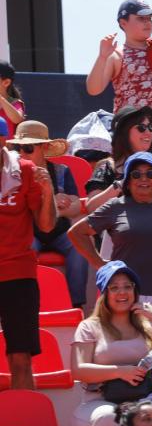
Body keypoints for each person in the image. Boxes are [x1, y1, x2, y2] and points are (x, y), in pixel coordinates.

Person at [69, 152, 152, 330]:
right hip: (124, 303)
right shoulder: (116, 206)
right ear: (128, 181)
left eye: (150, 173)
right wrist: (99, 263)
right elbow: (77, 233)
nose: (143, 179)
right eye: (136, 174)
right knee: (128, 357)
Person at [71, 261, 152, 426]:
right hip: (98, 402)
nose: (122, 292)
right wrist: (121, 372)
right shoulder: (89, 326)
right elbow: (79, 370)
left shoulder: (147, 324)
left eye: (127, 287)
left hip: (143, 400)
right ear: (104, 294)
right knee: (110, 418)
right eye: (114, 288)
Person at [85, 0, 152, 160]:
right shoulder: (116, 56)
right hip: (131, 136)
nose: (147, 22)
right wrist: (102, 57)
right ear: (123, 23)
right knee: (129, 182)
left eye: (149, 19)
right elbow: (93, 89)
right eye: (141, 18)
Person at [0, 115, 56, 389]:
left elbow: (46, 225)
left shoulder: (24, 170)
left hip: (17, 274)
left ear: (2, 142)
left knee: (20, 358)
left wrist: (48, 191)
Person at [9, 120, 87, 307]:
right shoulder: (11, 174)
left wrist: (61, 204)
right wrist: (53, 201)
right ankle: (22, 306)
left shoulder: (62, 171)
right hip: (29, 234)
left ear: (44, 147)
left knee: (80, 248)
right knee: (21, 251)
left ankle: (76, 306)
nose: (21, 154)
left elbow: (77, 205)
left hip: (59, 233)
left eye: (28, 148)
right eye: (18, 148)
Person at [85, 105, 152, 214]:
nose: (148, 132)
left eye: (150, 127)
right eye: (141, 127)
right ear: (124, 132)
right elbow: (91, 208)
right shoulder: (108, 166)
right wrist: (119, 186)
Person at [0, 61, 25, 137]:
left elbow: (17, 119)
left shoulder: (15, 103)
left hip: (7, 148)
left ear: (6, 82)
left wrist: (1, 98)